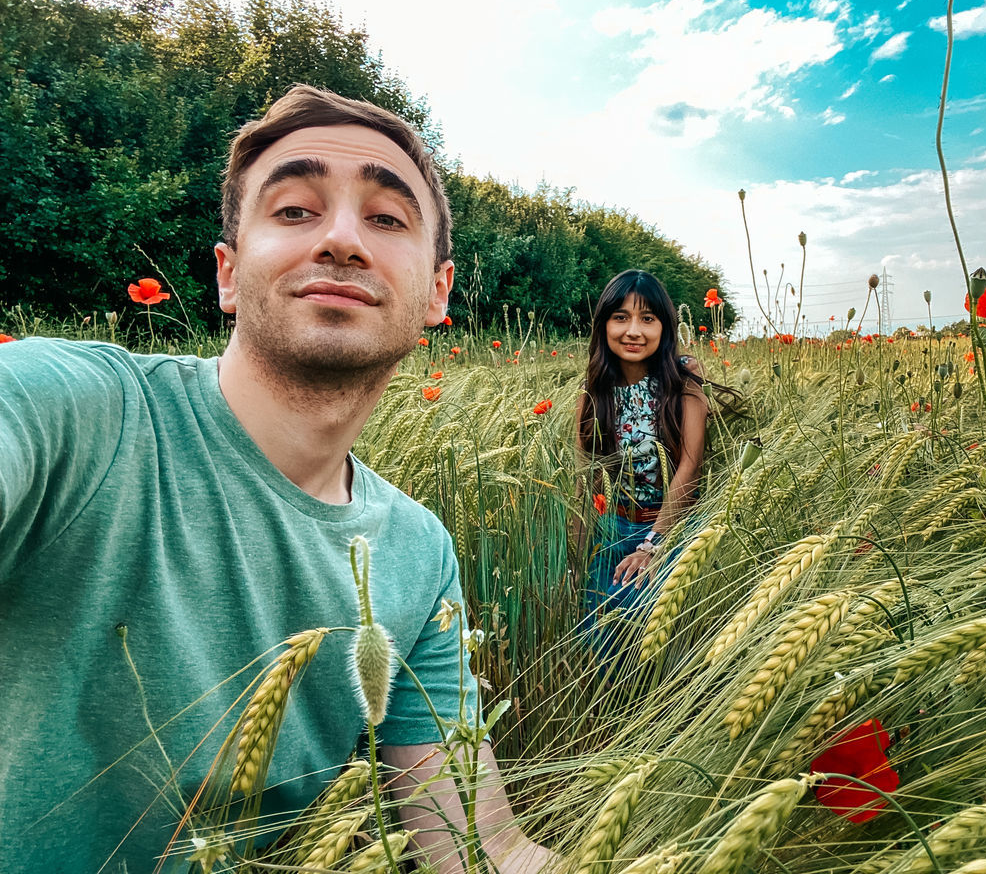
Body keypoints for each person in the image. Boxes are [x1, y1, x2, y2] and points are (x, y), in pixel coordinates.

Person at [0, 86, 552, 874]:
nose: (341, 239)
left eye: (387, 218)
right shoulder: (82, 410)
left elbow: (481, 847)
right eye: (295, 210)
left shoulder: (418, 554)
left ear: (438, 292)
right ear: (227, 274)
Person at [574, 270, 713, 665]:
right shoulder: (594, 392)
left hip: (671, 528)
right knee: (597, 639)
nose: (633, 330)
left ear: (664, 327)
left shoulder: (684, 382)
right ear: (603, 325)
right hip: (613, 528)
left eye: (647, 318)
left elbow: (690, 467)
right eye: (620, 317)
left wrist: (653, 545)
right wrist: (576, 555)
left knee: (649, 634)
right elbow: (589, 480)